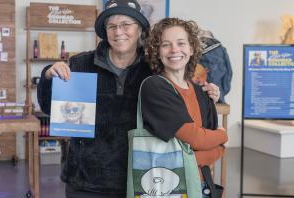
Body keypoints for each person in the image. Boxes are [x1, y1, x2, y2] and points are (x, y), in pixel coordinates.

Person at [37, 0, 220, 197]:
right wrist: (49, 76)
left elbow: (181, 95)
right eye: (112, 26)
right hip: (85, 181)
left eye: (126, 25)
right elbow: (49, 108)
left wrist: (206, 92)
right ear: (105, 31)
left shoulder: (154, 70)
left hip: (140, 179)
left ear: (140, 29)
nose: (118, 32)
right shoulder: (81, 64)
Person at [141, 18, 228, 197]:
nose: (174, 50)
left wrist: (189, 156)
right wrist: (223, 134)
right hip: (166, 189)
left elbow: (220, 148)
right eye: (166, 44)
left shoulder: (203, 92)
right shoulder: (155, 87)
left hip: (201, 186)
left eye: (181, 43)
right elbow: (197, 139)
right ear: (157, 51)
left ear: (191, 48)